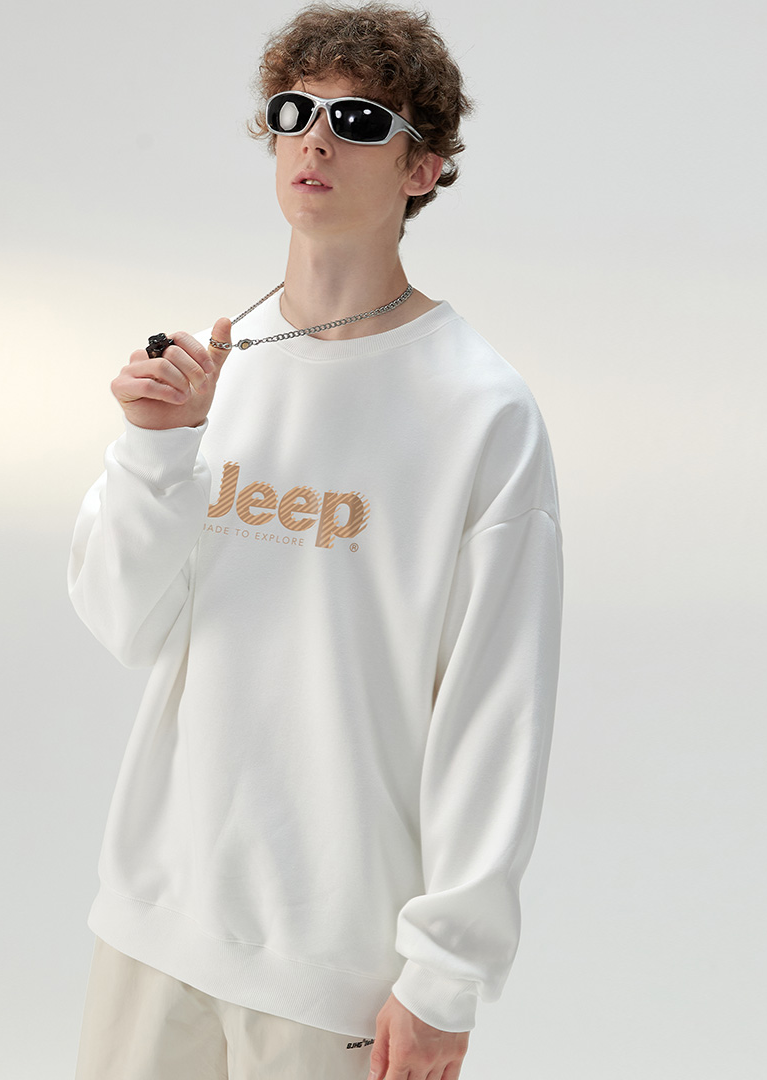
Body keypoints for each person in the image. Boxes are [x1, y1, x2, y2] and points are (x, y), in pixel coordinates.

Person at [67, 4, 564, 1079]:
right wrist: (156, 449)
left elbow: (495, 710)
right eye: (294, 112)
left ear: (424, 169)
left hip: (334, 965)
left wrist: (445, 973)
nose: (317, 139)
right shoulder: (214, 371)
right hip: (155, 922)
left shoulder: (481, 410)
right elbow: (122, 623)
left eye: (360, 119)